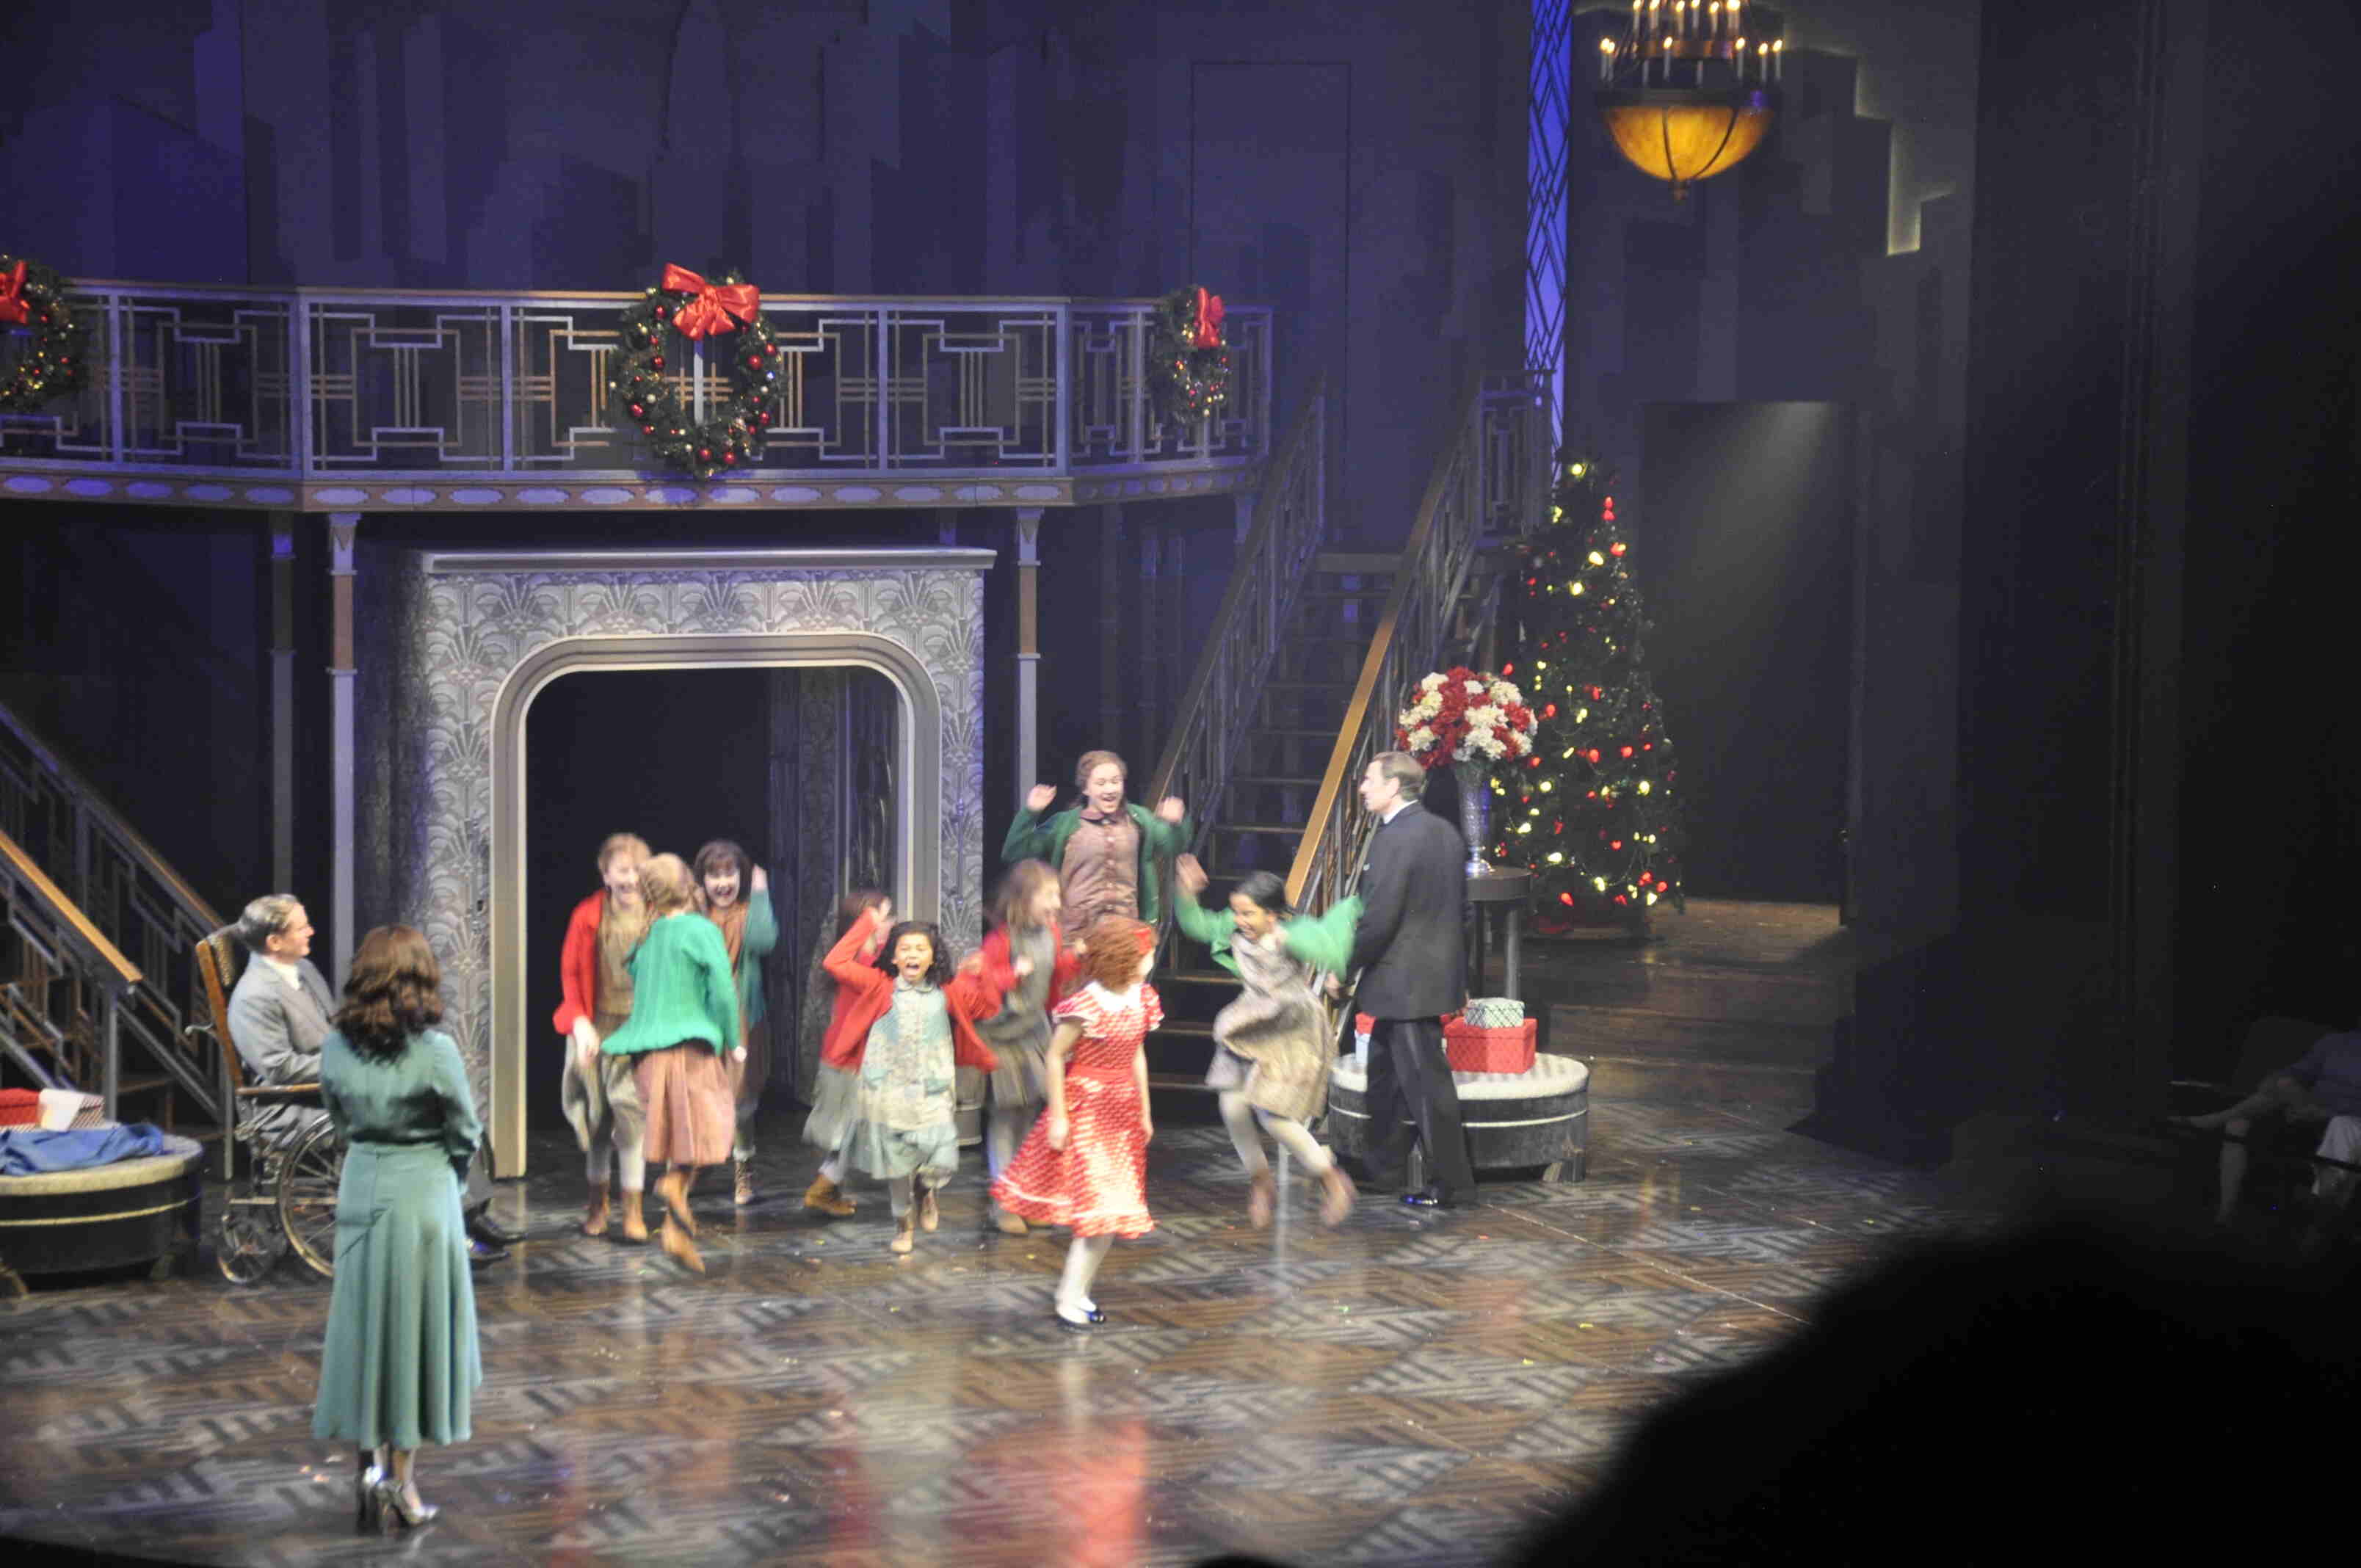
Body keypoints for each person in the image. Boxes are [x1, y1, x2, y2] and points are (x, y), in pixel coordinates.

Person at [311, 926, 482, 1533]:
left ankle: (371, 1467)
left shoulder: (336, 1047)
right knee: (413, 1334)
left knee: (367, 1329)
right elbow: (465, 1131)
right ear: (420, 979)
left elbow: (337, 1119)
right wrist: (449, 1176)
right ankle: (402, 1484)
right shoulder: (436, 1051)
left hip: (361, 1187)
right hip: (423, 1196)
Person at [230, 893, 512, 1262]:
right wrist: (354, 1062)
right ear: (275, 941)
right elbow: (280, 1068)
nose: (311, 931)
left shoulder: (304, 971)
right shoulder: (253, 996)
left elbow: (335, 1029)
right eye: (302, 927)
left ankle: (471, 1217)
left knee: (440, 1103)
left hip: (337, 1087)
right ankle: (452, 1230)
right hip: (292, 1104)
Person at [992, 916, 1161, 1330]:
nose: (1151, 961)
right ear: (1123, 959)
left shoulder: (1142, 998)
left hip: (1121, 1112)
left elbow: (1136, 1054)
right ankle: (1069, 1296)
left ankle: (1078, 1292)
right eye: (1146, 954)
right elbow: (1055, 1056)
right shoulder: (1088, 1005)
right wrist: (1060, 1116)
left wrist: (1144, 1109)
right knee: (1097, 1211)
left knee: (1111, 1212)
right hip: (1088, 1109)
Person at [1173, 856, 1361, 1227]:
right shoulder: (1235, 927)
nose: (1240, 920)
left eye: (1249, 914)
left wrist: (1338, 975)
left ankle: (1331, 1178)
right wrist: (1186, 893)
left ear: (1272, 915)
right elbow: (1197, 925)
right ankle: (1261, 1181)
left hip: (1290, 1026)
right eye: (1237, 912)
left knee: (1272, 1115)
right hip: (1251, 1022)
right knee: (1231, 1105)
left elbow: (1331, 947)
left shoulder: (1290, 936)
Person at [808, 907, 1002, 1255]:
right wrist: (869, 922)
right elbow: (835, 962)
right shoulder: (879, 986)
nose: (913, 954)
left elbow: (988, 1007)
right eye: (905, 948)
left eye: (921, 949)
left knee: (939, 1156)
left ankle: (926, 1189)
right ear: (894, 957)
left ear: (933, 957)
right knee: (897, 1163)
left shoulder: (948, 991)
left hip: (932, 1091)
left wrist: (984, 972)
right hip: (886, 1092)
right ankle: (903, 1224)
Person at [1340, 750, 1476, 1209]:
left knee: (1426, 1087)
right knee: (1384, 1079)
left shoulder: (1395, 838)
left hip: (1406, 986)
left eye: (1369, 779)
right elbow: (1464, 912)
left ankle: (1453, 1185)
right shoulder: (1446, 832)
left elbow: (1379, 919)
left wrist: (1345, 967)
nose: (1362, 788)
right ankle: (1383, 1170)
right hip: (1419, 982)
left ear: (1394, 786)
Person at [598, 853, 741, 1275]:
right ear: (687, 884)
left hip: (648, 1057)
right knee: (712, 1128)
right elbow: (723, 988)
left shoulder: (651, 934)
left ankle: (675, 1230)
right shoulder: (700, 930)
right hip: (686, 1049)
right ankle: (674, 1186)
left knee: (685, 1137)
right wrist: (733, 1039)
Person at [965, 860, 1084, 1235]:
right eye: (1048, 895)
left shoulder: (1052, 933)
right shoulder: (1001, 940)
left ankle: (1024, 1197)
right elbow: (981, 985)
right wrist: (1010, 974)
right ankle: (1003, 1202)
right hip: (1002, 1039)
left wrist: (1072, 961)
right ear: (1023, 899)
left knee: (1029, 1115)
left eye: (1057, 895)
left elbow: (1053, 976)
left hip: (1032, 1033)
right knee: (1005, 1117)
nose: (1056, 903)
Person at [2172, 1026, 2361, 1241]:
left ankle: (2210, 1121)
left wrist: (2323, 1112)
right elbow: (2300, 1071)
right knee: (2240, 1122)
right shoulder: (2337, 1042)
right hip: (2305, 1108)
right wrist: (2280, 1081)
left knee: (2329, 1118)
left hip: (2340, 1118)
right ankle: (2226, 1214)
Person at [554, 833, 652, 1244]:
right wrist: (580, 1023)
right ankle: (598, 1205)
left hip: (638, 1031)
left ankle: (634, 1211)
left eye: (637, 870)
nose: (630, 879)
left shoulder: (657, 916)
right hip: (596, 1027)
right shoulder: (588, 915)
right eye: (622, 871)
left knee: (632, 1120)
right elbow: (570, 974)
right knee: (597, 1122)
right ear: (606, 874)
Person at [1003, 749, 1192, 932]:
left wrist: (1177, 824)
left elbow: (1173, 846)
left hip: (1126, 933)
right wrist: (1031, 812)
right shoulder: (1064, 824)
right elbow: (1015, 852)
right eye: (1101, 783)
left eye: (1115, 781)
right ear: (1086, 788)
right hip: (1075, 936)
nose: (1110, 789)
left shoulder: (1139, 820)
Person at [692, 840, 779, 1207]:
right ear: (703, 880)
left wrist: (760, 893)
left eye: (730, 873)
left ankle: (743, 1170)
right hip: (703, 1019)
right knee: (700, 1097)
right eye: (714, 875)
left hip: (742, 1019)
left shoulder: (747, 913)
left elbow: (763, 941)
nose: (723, 883)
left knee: (741, 1100)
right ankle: (702, 1160)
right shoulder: (698, 915)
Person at [799, 888, 891, 1217]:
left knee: (850, 1133)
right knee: (849, 1134)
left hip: (854, 1063)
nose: (890, 922)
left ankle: (827, 1191)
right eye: (885, 916)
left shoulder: (873, 962)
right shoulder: (860, 966)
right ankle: (821, 1190)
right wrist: (869, 922)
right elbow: (835, 960)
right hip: (848, 1064)